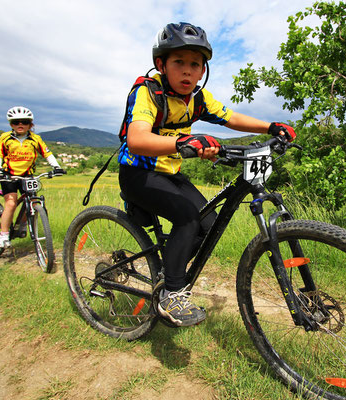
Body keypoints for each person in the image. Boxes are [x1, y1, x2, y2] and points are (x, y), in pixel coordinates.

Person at [117, 22, 296, 327]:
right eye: (179, 63)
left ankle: (167, 274)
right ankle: (171, 294)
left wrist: (270, 126)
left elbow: (231, 117)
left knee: (208, 223)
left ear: (202, 71)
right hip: (138, 173)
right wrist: (183, 141)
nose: (187, 71)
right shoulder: (148, 92)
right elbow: (136, 138)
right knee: (187, 217)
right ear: (161, 64)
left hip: (170, 173)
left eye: (194, 64)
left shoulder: (197, 99)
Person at [0, 106, 65, 249]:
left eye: (24, 122)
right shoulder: (5, 138)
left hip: (27, 175)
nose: (20, 125)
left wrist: (56, 167)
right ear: (11, 124)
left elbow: (47, 153)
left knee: (31, 201)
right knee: (11, 203)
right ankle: (4, 234)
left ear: (30, 125)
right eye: (16, 122)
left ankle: (23, 225)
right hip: (9, 175)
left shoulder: (35, 139)